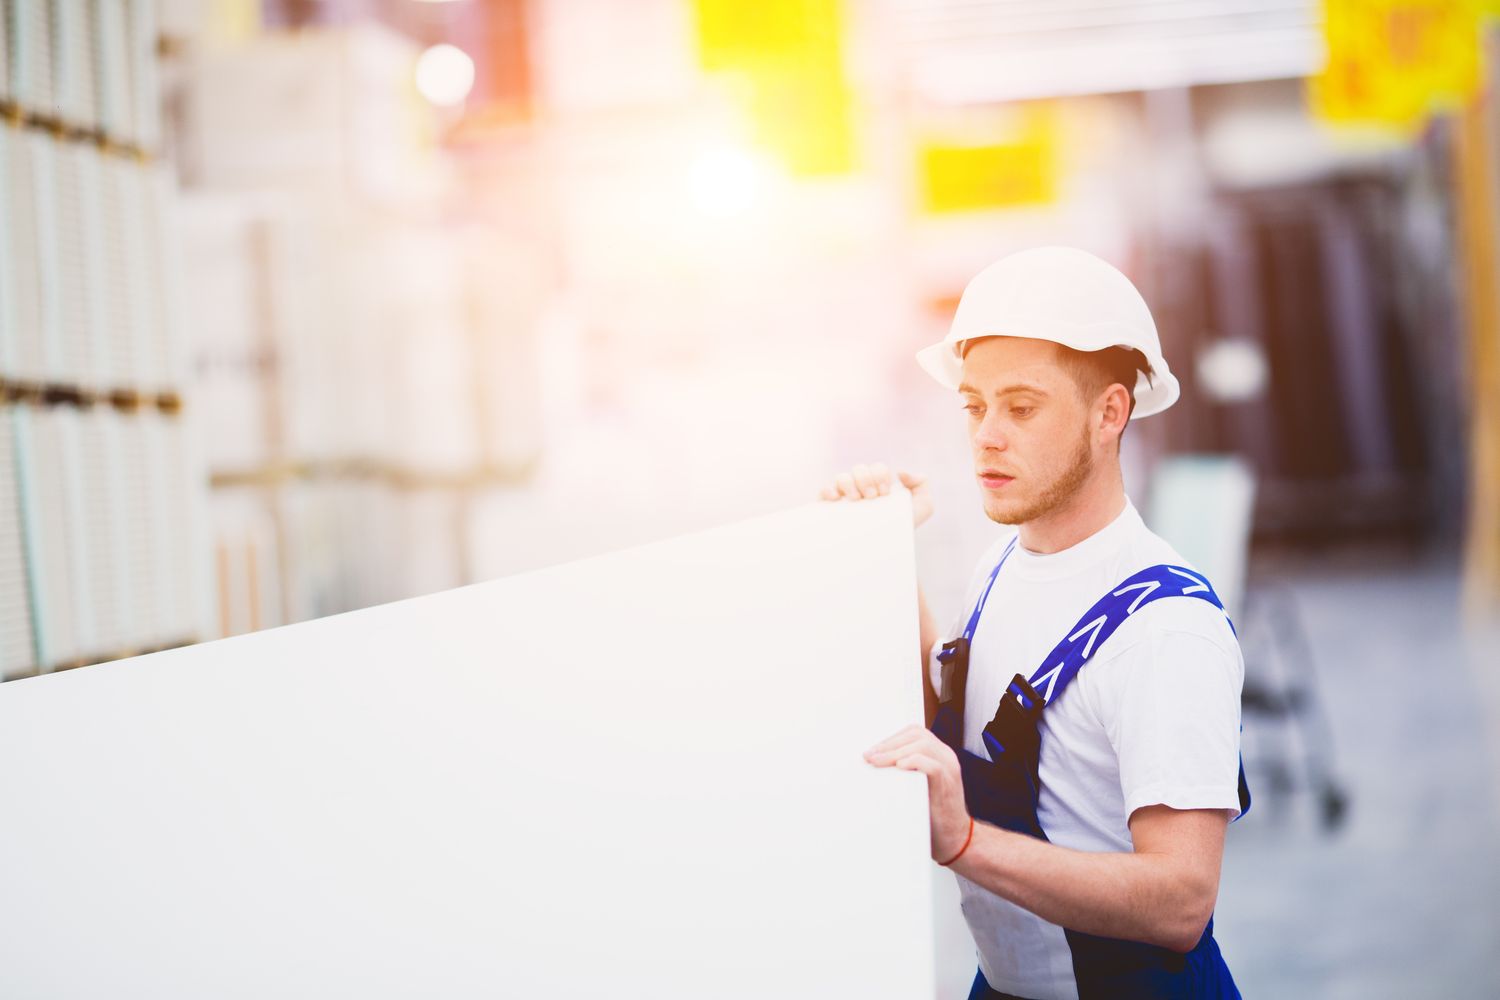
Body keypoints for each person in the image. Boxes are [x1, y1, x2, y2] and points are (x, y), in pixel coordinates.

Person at [821, 247, 1250, 1000]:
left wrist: (964, 844)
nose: (986, 435)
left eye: (1020, 408)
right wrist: (884, 553)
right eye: (974, 406)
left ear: (1109, 412)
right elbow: (949, 731)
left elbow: (1182, 901)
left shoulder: (1164, 631)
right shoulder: (1001, 568)